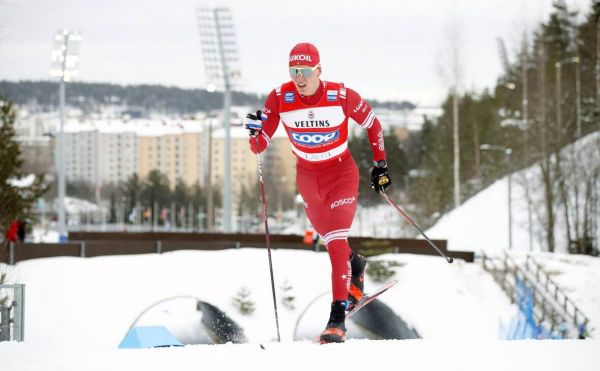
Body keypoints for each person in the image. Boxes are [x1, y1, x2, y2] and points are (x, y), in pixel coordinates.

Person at [243, 42, 391, 343]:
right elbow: (261, 144)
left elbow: (373, 125)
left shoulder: (341, 96)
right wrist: (255, 132)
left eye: (306, 71)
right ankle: (356, 264)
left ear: (319, 70)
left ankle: (337, 320)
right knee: (332, 244)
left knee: (336, 243)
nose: (300, 78)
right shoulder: (281, 97)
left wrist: (381, 166)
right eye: (294, 71)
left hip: (341, 173)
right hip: (308, 178)